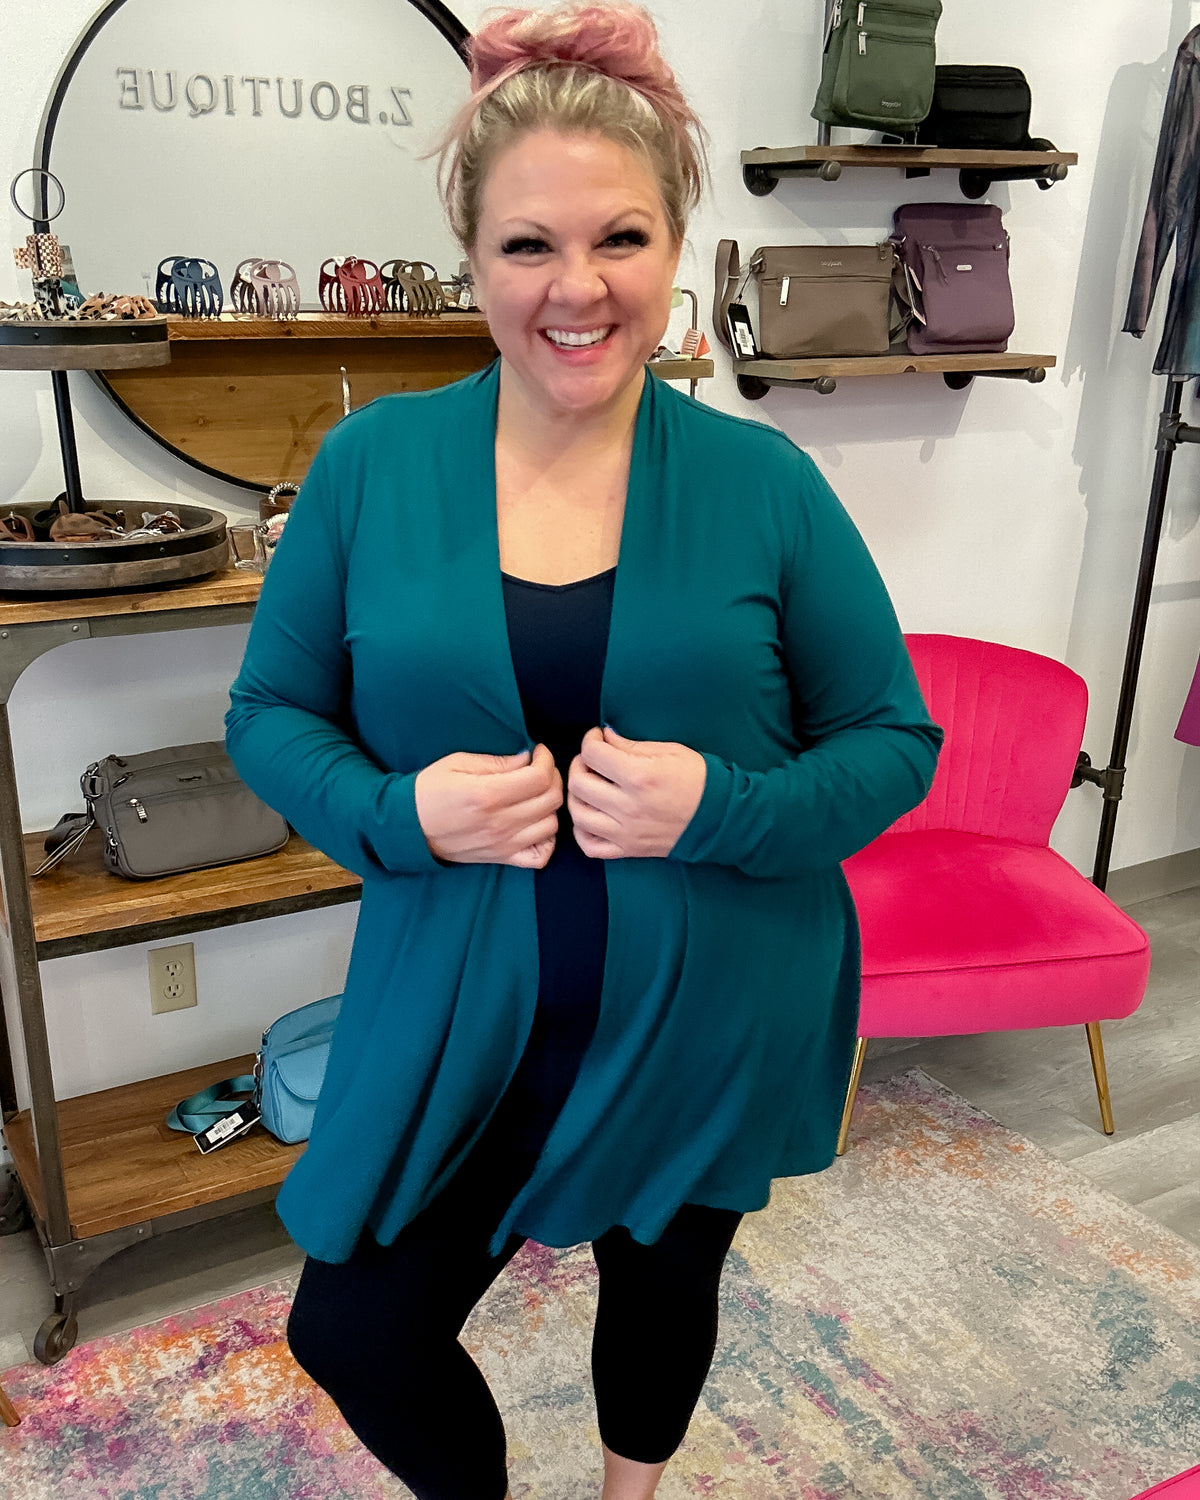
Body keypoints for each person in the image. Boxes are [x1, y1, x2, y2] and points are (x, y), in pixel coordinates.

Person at [223, 4, 944, 1497]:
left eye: (619, 238)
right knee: (356, 1326)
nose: (576, 289)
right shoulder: (371, 468)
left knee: (664, 1282)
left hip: (712, 995)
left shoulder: (764, 484)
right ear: (470, 256)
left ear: (676, 246)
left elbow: (891, 741)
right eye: (527, 246)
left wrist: (721, 804)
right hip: (464, 1012)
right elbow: (268, 719)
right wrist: (399, 809)